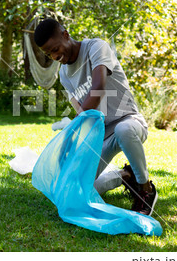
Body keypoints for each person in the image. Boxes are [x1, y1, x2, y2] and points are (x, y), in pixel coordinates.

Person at [34, 18, 158, 216]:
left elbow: (98, 87)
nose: (55, 56)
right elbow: (81, 111)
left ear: (66, 35)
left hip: (128, 122)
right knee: (75, 190)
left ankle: (145, 189)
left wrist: (75, 127)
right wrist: (69, 140)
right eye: (49, 54)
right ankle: (125, 176)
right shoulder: (65, 74)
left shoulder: (96, 47)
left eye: (56, 49)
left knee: (123, 130)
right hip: (100, 135)